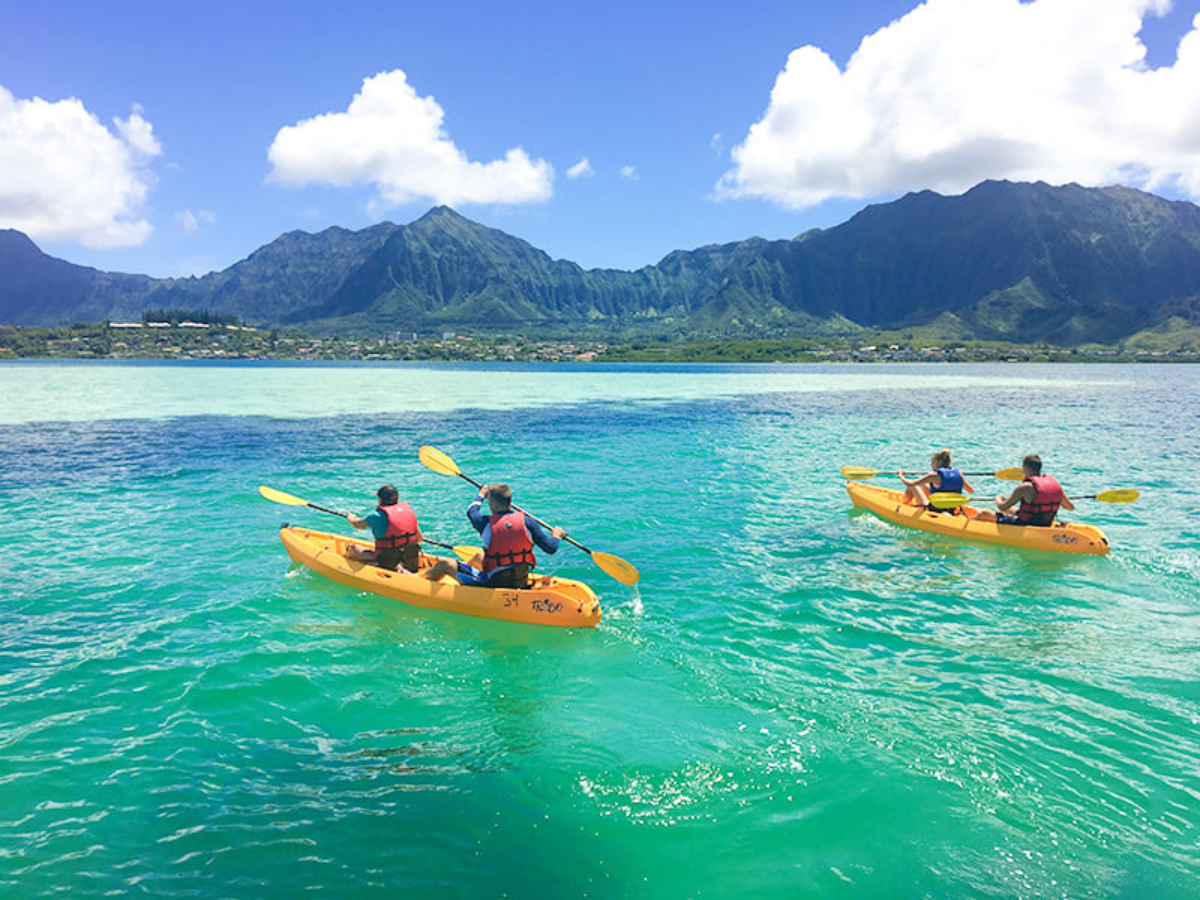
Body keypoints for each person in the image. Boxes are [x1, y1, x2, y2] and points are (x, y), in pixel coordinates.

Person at [425, 483, 565, 588]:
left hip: (492, 584)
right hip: (520, 581)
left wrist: (481, 495)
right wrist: (556, 535)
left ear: (492, 502)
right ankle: (462, 576)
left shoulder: (485, 524)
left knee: (444, 563)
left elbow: (471, 511)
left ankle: (419, 580)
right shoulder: (528, 523)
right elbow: (551, 548)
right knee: (480, 556)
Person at [972, 454, 1074, 526]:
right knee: (1011, 510)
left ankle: (967, 523)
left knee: (984, 513)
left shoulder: (1025, 487)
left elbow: (1002, 507)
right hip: (1045, 523)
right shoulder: (1055, 486)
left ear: (1025, 468)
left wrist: (998, 499)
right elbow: (1070, 507)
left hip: (1025, 524)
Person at [345, 484, 424, 572]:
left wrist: (351, 517)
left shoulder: (376, 516)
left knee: (354, 549)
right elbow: (420, 538)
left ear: (380, 499)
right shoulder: (408, 513)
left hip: (387, 562)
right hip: (411, 561)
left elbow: (356, 525)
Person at [898, 449, 974, 507]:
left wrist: (901, 475)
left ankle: (902, 506)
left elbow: (909, 483)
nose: (931, 464)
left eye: (932, 462)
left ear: (938, 462)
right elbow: (970, 491)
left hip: (935, 509)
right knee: (924, 486)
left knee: (913, 486)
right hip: (951, 508)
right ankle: (905, 503)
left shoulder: (933, 476)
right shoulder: (959, 474)